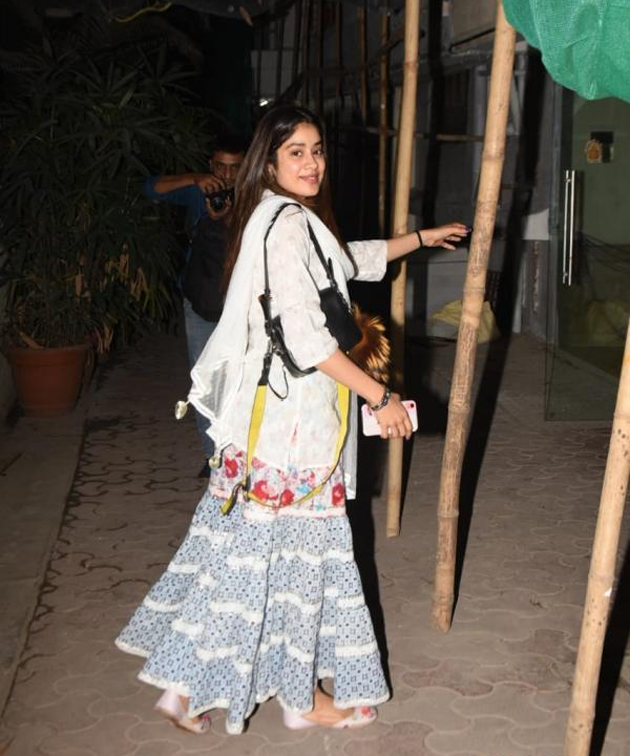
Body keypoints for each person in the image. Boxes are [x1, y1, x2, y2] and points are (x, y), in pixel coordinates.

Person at [116, 105, 469, 735]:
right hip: (291, 429)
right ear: (270, 161)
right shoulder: (283, 226)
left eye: (317, 149)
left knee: (250, 561)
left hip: (276, 425)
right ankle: (301, 701)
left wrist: (420, 238)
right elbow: (307, 340)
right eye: (296, 152)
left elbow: (345, 261)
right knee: (299, 568)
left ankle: (186, 690)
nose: (312, 163)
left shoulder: (285, 217)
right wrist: (379, 397)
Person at [145, 135, 246, 471]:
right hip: (199, 299)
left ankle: (240, 453)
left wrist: (228, 216)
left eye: (235, 168)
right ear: (210, 165)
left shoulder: (255, 194)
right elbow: (150, 188)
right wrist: (194, 180)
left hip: (242, 303)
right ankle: (213, 456)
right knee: (204, 380)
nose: (227, 176)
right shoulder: (199, 190)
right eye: (220, 167)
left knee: (240, 380)